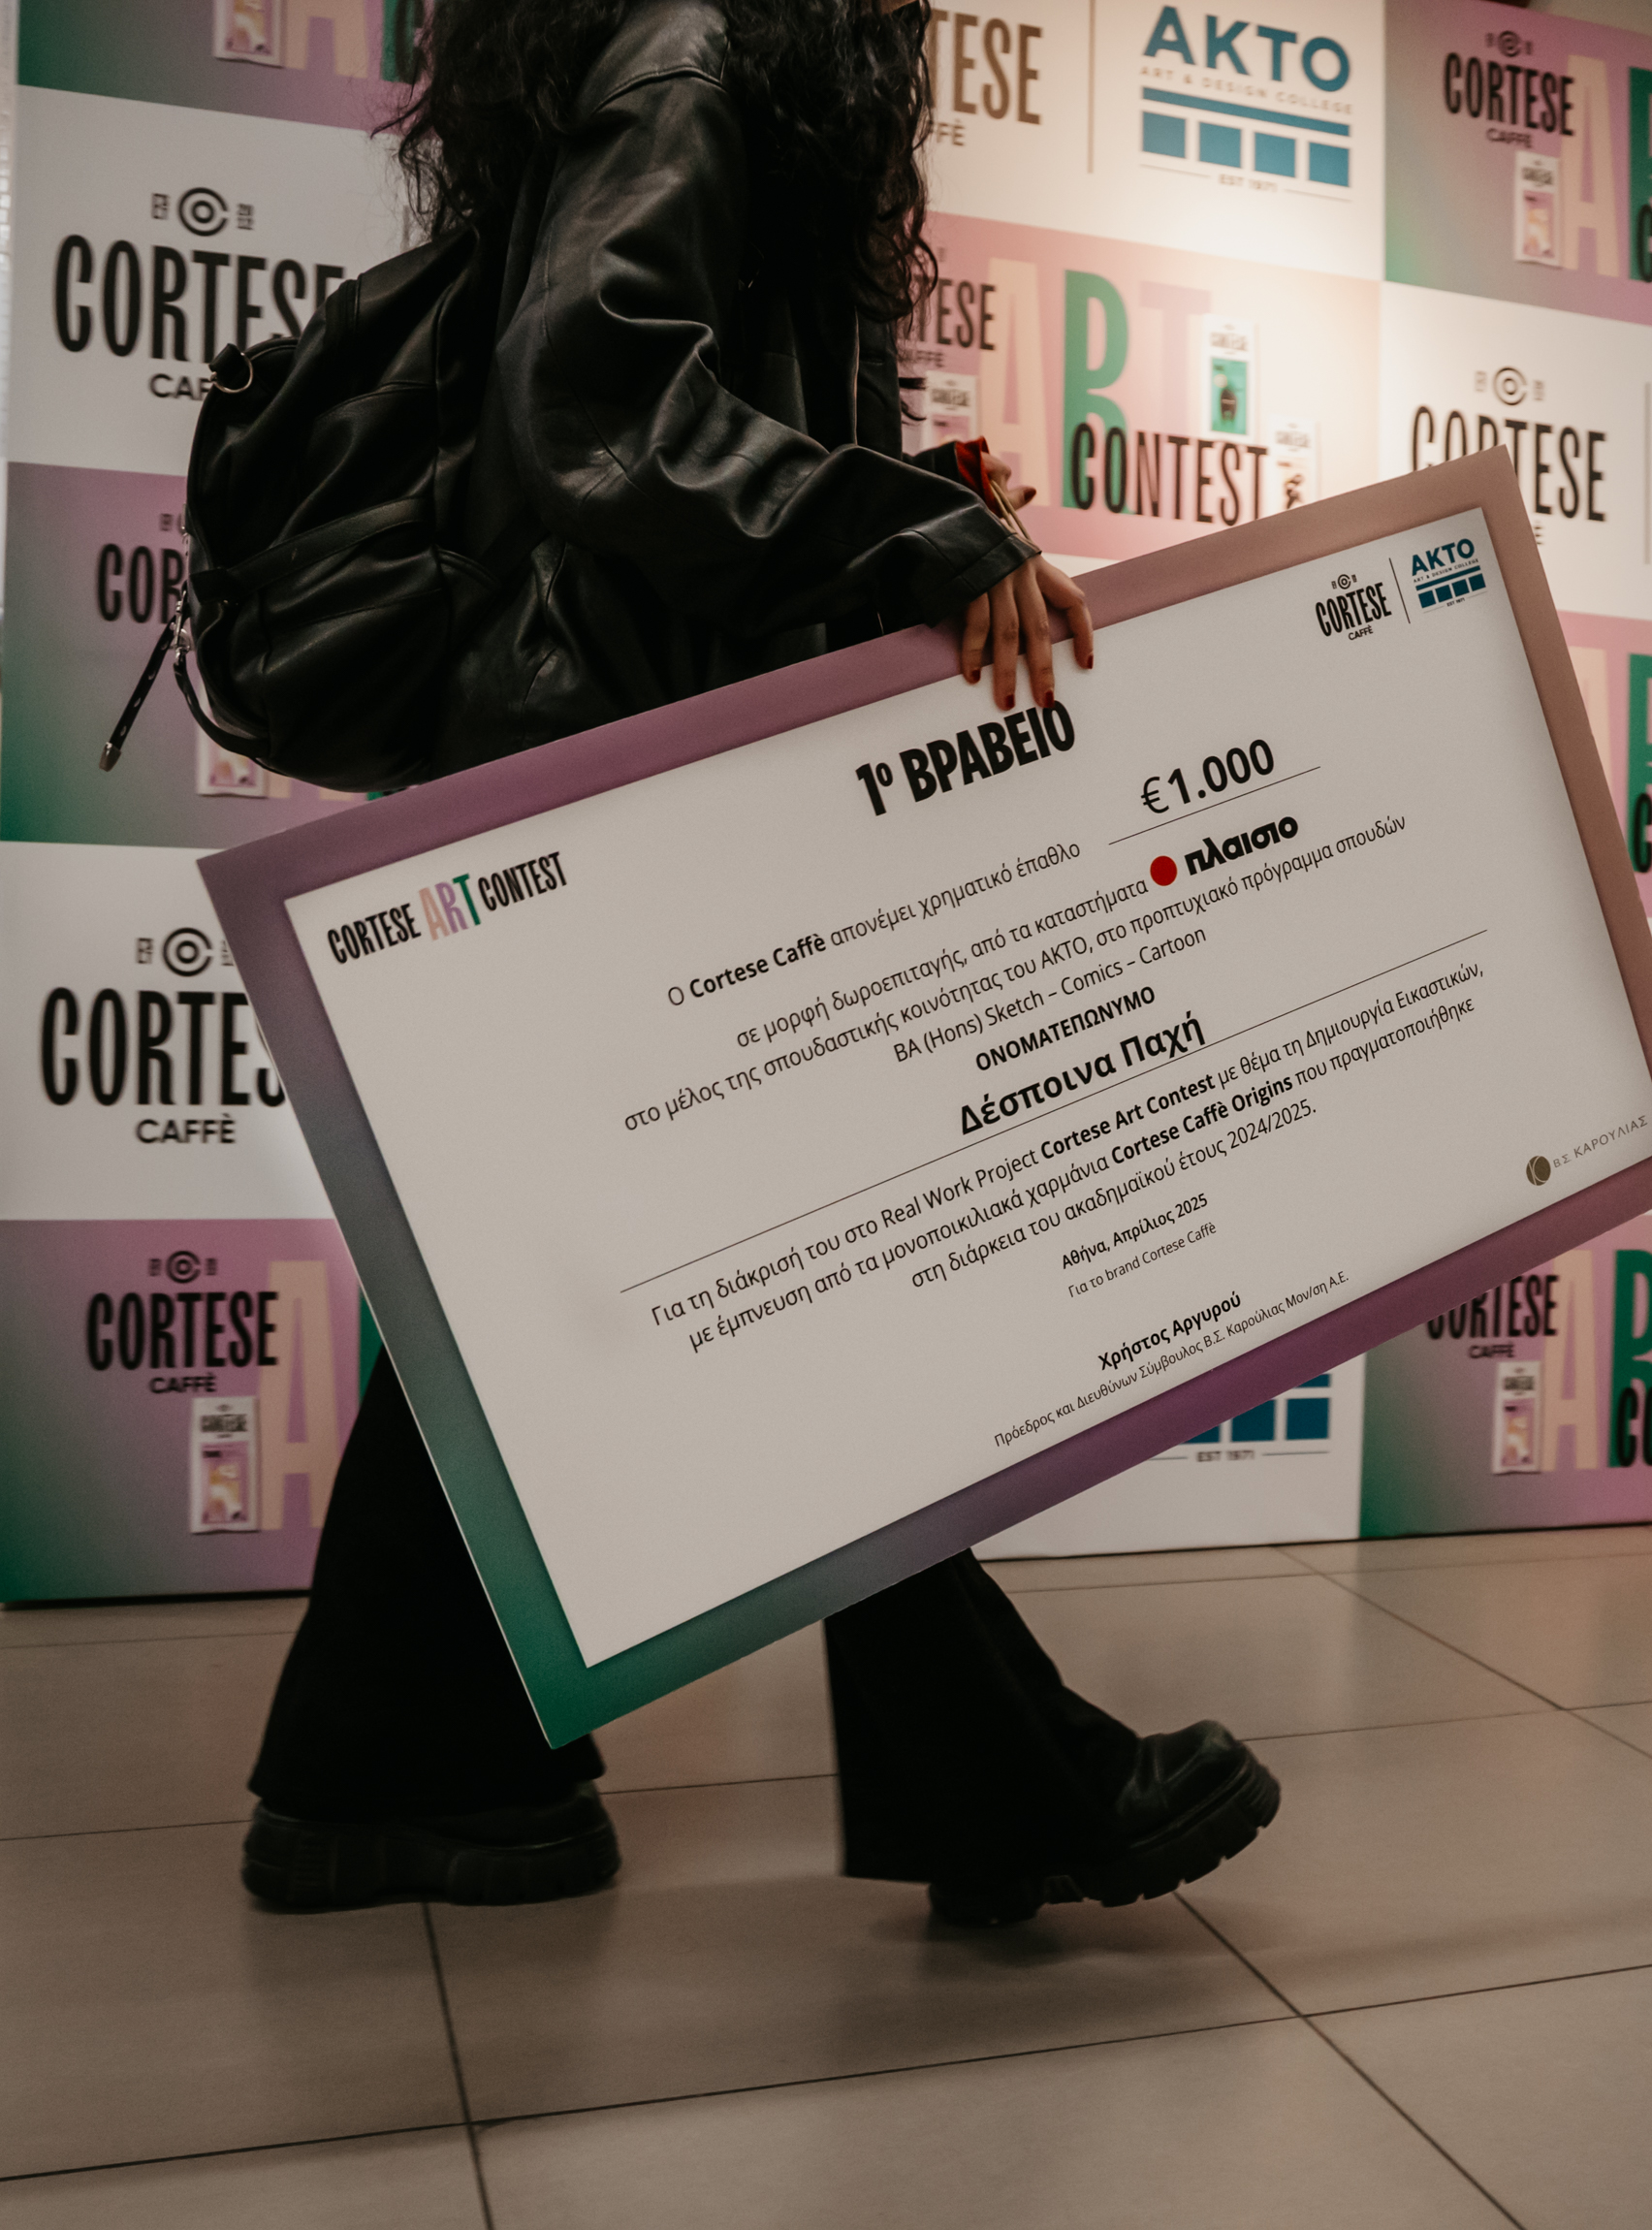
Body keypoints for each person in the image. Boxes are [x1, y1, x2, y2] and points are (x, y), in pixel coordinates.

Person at [242, 0, 1280, 1929]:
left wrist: (906, 502)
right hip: (601, 783)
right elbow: (591, 401)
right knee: (788, 1286)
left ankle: (383, 1769)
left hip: (568, 768)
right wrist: (906, 540)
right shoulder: (698, 53)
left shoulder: (674, 54)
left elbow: (640, 412)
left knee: (542, 1300)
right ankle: (1003, 1785)